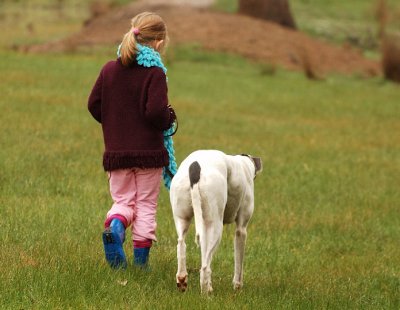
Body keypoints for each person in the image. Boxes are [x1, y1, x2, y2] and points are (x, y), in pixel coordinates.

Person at [88, 12, 176, 269]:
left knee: (123, 202)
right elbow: (156, 113)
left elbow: (94, 105)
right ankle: (141, 265)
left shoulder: (109, 69)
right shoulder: (155, 73)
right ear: (158, 43)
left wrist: (116, 125)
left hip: (117, 154)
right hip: (149, 154)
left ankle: (115, 228)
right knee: (146, 205)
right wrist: (169, 117)